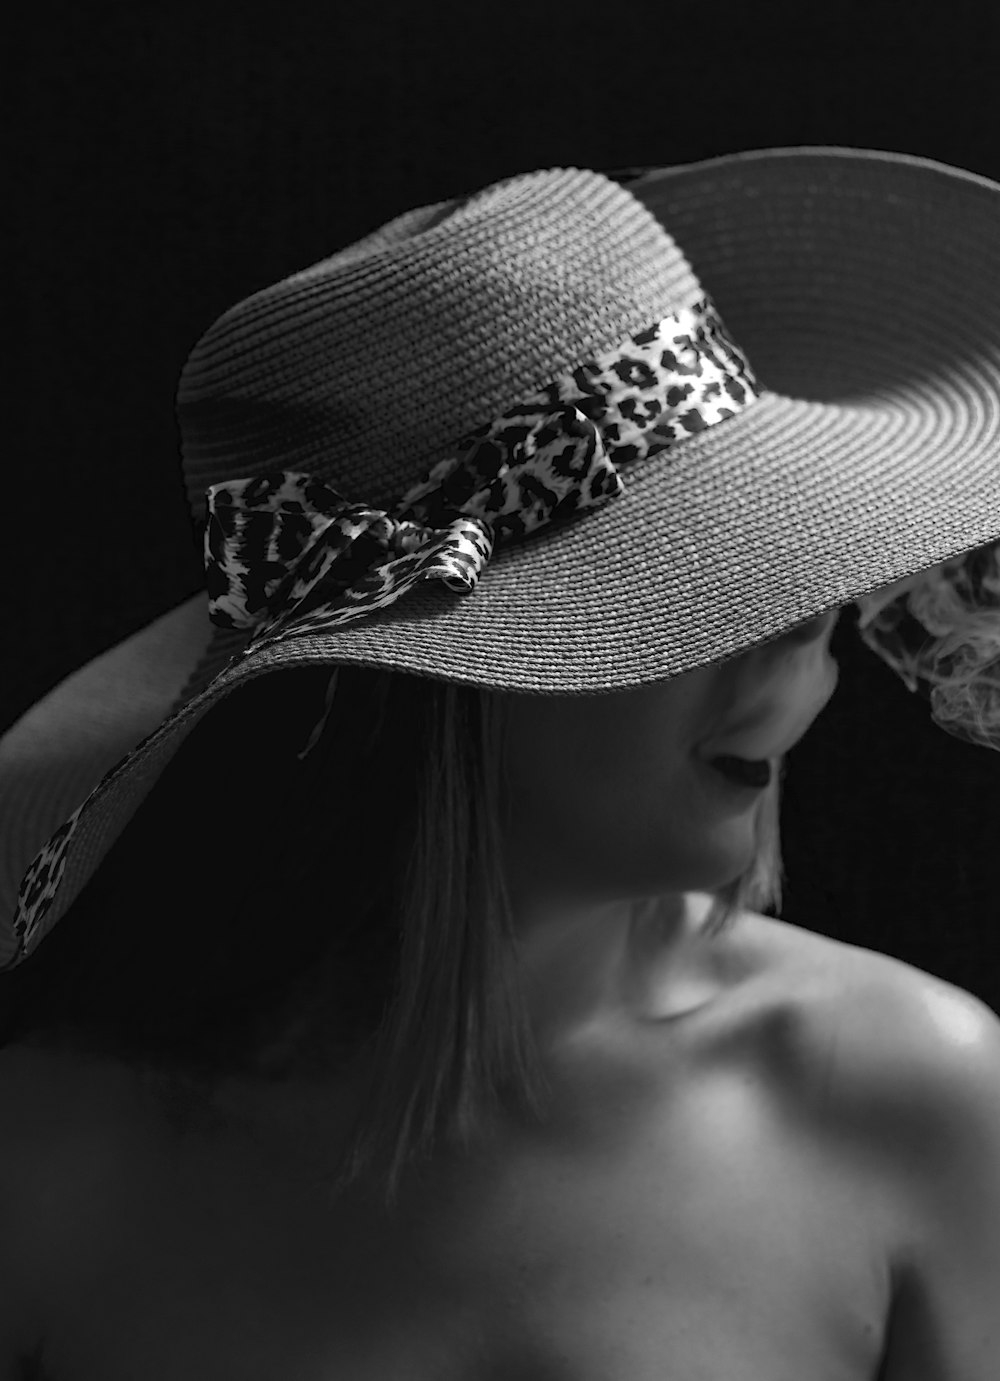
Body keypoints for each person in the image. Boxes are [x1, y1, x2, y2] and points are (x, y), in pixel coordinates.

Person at [0, 147, 999, 1380]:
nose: (804, 639)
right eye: (691, 589)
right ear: (440, 680)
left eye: (786, 580)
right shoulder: (54, 1153)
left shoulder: (916, 1100)